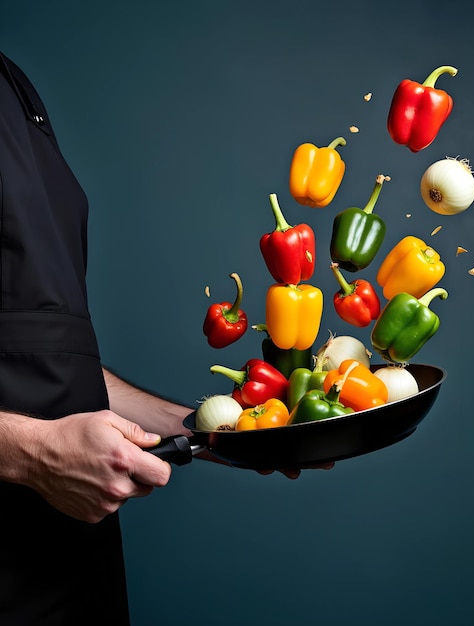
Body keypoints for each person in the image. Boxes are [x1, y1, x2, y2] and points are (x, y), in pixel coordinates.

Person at [0, 51, 314, 625]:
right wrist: (33, 452)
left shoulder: (14, 86)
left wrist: (208, 429)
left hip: (70, 558)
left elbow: (44, 351)